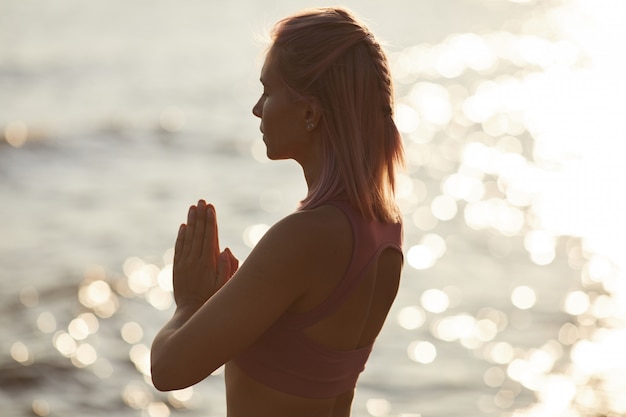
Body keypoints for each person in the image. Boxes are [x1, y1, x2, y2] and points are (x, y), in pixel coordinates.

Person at [151, 7, 405, 417]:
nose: (256, 108)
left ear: (309, 113)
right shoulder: (384, 227)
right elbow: (304, 363)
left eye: (267, 91)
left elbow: (167, 370)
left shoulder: (303, 237)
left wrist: (190, 302)